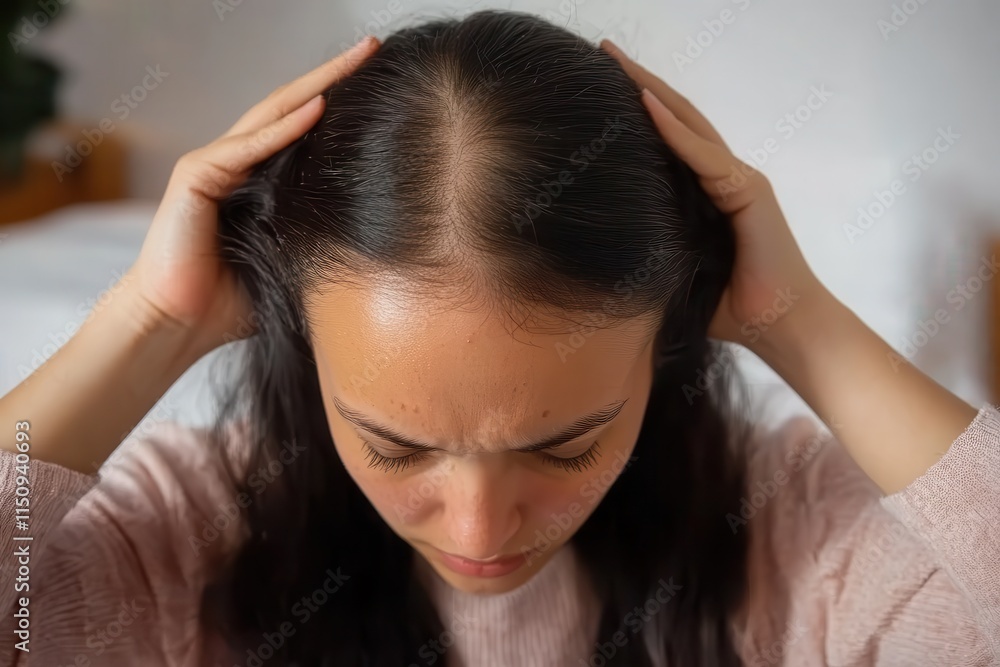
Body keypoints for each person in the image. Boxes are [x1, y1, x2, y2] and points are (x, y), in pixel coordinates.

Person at [1, 9, 998, 666]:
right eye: (395, 444)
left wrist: (802, 325)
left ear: (668, 341)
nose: (477, 531)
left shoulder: (792, 540)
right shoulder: (183, 541)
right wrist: (149, 321)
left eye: (564, 444)